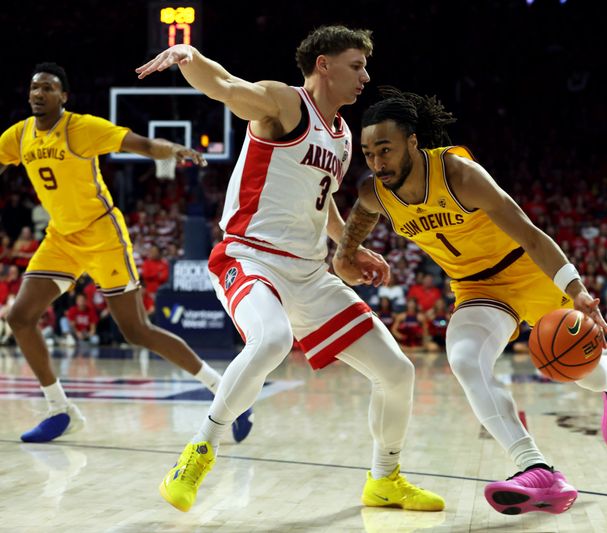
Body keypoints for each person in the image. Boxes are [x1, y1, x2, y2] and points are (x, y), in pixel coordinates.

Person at [136, 27, 444, 513]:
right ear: (323, 64)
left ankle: (385, 479)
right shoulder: (285, 104)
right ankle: (199, 450)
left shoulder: (343, 137)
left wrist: (349, 244)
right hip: (250, 257)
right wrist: (189, 55)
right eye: (356, 65)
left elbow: (321, 205)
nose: (366, 76)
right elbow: (229, 87)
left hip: (309, 274)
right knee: (273, 340)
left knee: (397, 371)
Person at [334, 87, 607, 516]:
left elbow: (530, 234)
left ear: (413, 143)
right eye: (369, 153)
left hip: (527, 272)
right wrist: (345, 255)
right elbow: (355, 225)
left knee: (579, 372)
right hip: (476, 290)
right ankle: (537, 469)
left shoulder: (459, 175)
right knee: (464, 358)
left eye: (386, 149)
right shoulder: (375, 193)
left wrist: (577, 290)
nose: (378, 163)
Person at [0, 63, 252, 444]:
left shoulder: (81, 127)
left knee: (136, 331)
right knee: (20, 316)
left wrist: (173, 150)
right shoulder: (17, 136)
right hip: (61, 239)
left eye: (48, 88)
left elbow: (143, 144)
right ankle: (60, 409)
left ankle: (224, 392)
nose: (38, 94)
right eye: (34, 88)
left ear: (63, 96)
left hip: (103, 235)